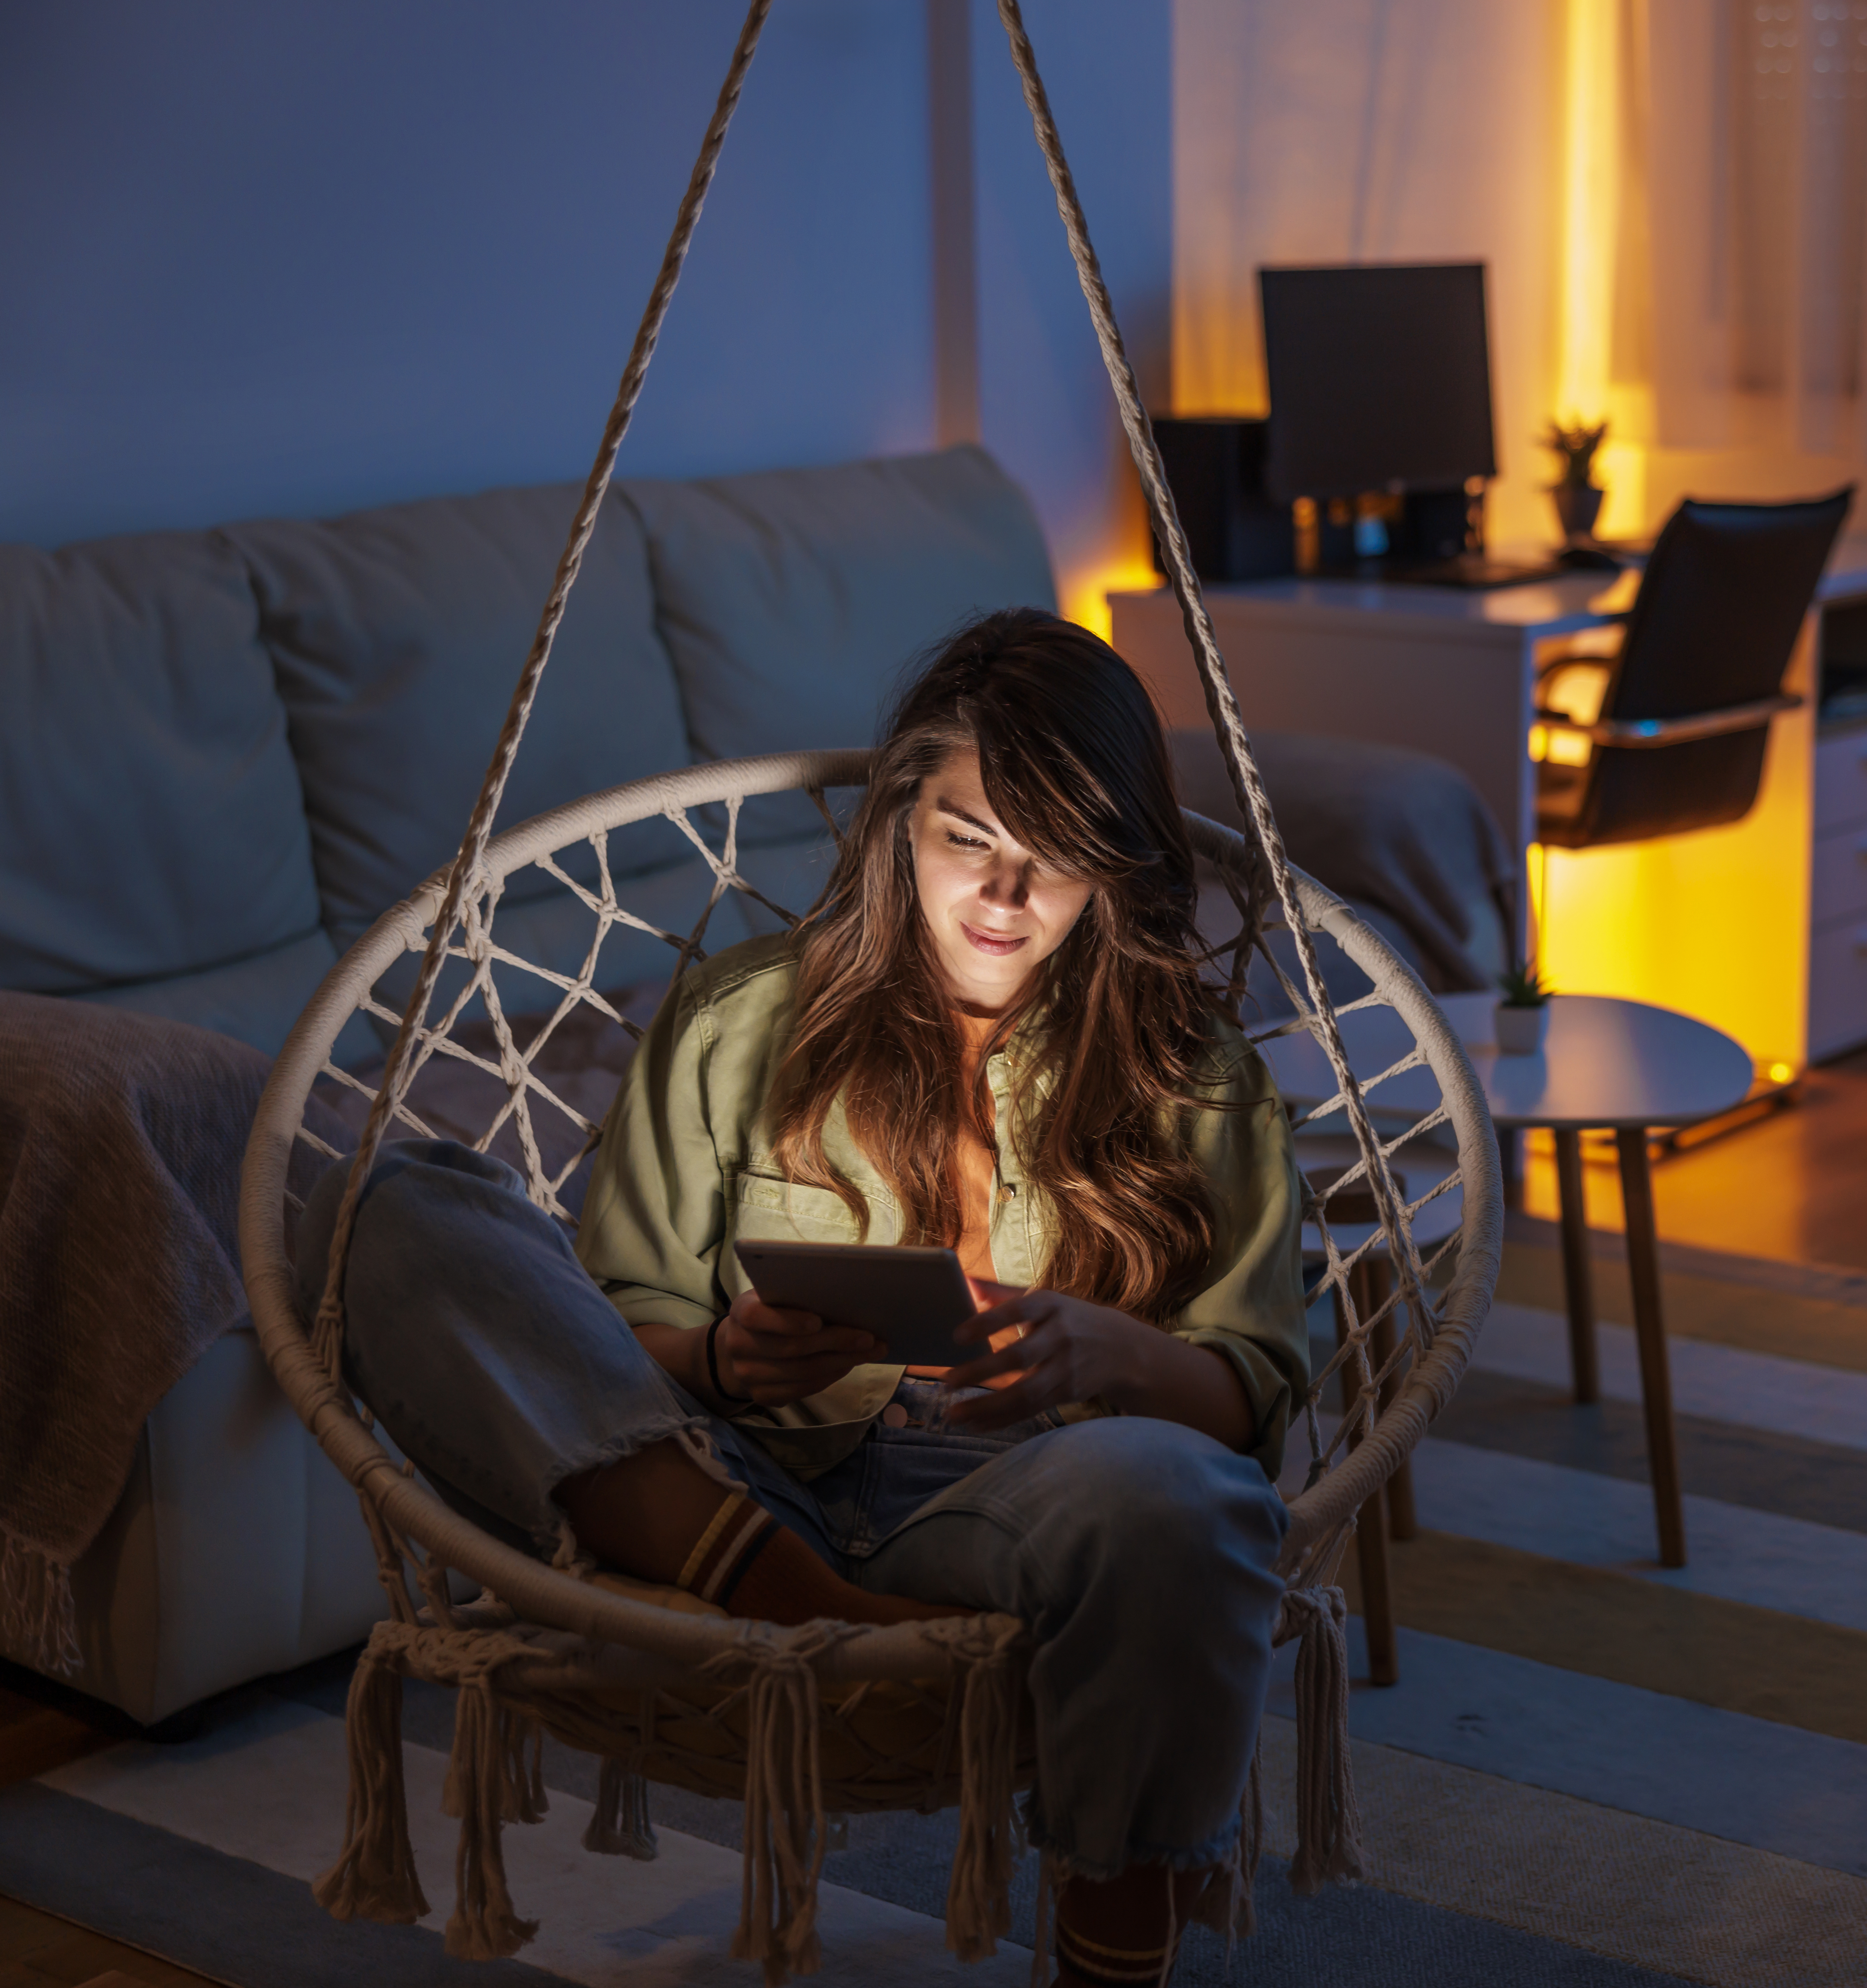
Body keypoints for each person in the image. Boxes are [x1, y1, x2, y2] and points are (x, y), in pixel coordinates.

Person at [296, 609, 1310, 1987]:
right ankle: (793, 1596)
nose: (1005, 899)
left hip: (1010, 1510)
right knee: (400, 1208)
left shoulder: (1197, 1081)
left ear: (1112, 871)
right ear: (903, 819)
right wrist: (722, 1358)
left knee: (1188, 1503)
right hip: (726, 1488)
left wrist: (1118, 1356)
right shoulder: (736, 1023)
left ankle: (1108, 1949)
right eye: (968, 838)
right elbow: (600, 1343)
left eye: (1054, 860)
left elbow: (1253, 1392)